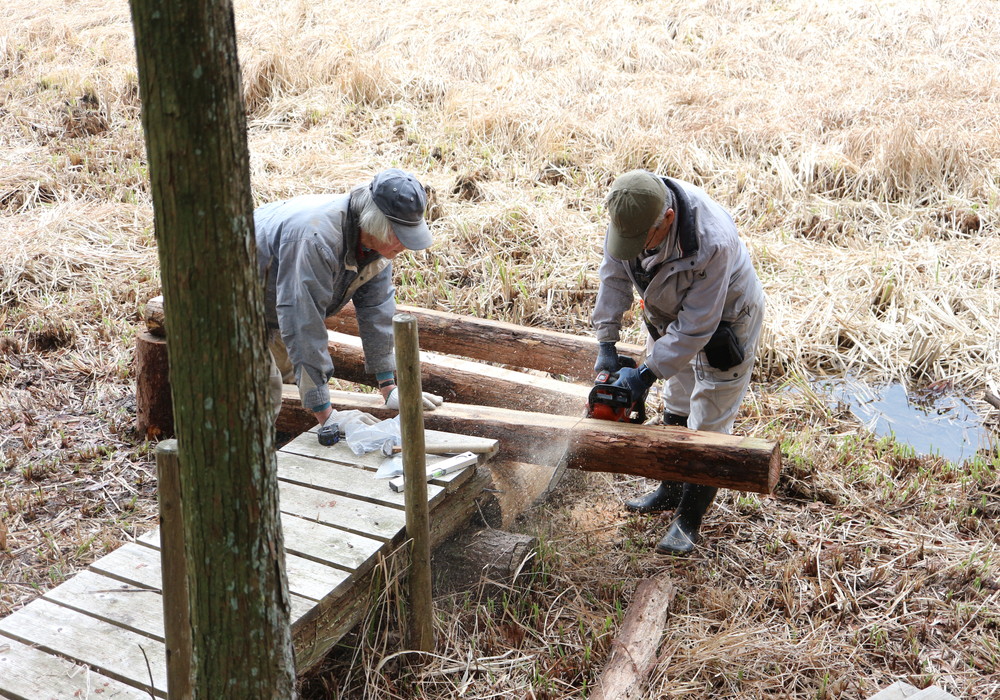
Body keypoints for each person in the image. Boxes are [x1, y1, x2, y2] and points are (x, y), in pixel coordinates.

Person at [592, 169, 765, 555]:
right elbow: (613, 279)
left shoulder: (711, 241)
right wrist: (606, 342)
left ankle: (688, 520)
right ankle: (670, 491)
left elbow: (696, 327)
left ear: (667, 219)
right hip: (670, 313)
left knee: (709, 417)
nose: (632, 248)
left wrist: (644, 374)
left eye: (641, 241)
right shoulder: (630, 212)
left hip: (725, 318)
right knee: (678, 394)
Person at [255, 168, 443, 429]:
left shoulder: (373, 243)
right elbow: (302, 323)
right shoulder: (317, 240)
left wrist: (389, 387)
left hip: (270, 304)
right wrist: (328, 417)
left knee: (291, 390)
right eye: (400, 236)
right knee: (261, 396)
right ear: (375, 225)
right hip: (227, 300)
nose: (405, 246)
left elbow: (376, 308)